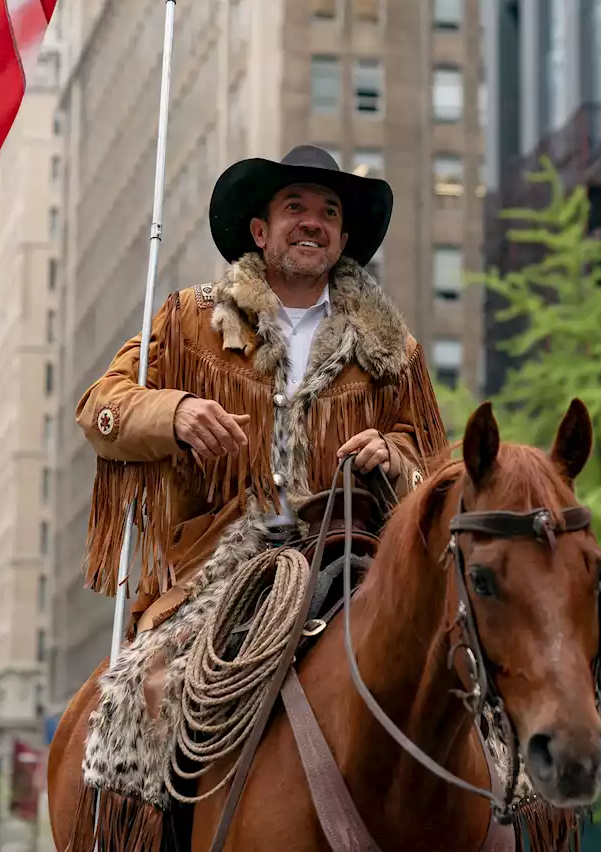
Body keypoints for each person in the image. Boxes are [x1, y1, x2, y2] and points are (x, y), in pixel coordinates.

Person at [76, 144, 449, 637]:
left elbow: (437, 472)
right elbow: (99, 406)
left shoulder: (392, 350)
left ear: (342, 239)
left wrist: (394, 457)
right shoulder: (192, 321)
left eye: (329, 213)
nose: (313, 222)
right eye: (295, 207)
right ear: (260, 231)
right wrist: (175, 413)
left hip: (350, 567)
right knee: (152, 687)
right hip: (212, 573)